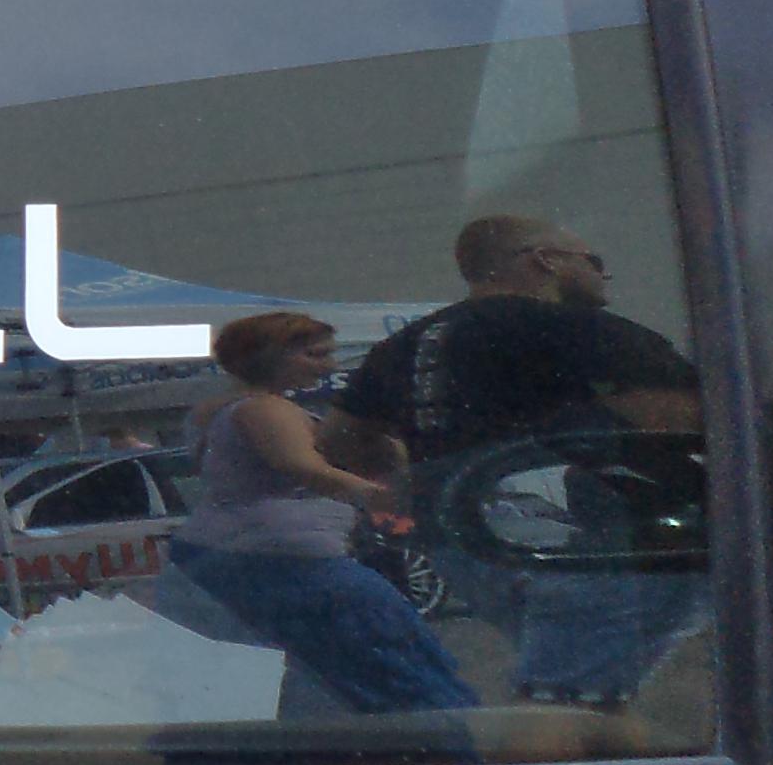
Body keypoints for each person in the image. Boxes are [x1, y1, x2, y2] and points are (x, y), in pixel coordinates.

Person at [332, 214, 704, 710]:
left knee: (600, 690)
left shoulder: (402, 347)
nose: (603, 274)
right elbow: (684, 421)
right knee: (568, 707)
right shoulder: (575, 329)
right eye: (593, 261)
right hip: (587, 545)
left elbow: (339, 440)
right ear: (546, 260)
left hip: (466, 548)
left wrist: (404, 481)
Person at [166, 312, 476, 717]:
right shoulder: (266, 409)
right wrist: (373, 494)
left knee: (290, 669)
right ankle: (440, 731)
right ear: (269, 356)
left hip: (224, 552)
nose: (328, 366)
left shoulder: (211, 411)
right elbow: (300, 465)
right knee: (386, 649)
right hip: (289, 556)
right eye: (314, 355)